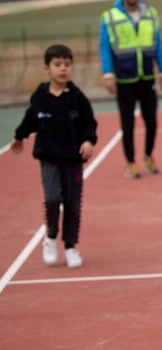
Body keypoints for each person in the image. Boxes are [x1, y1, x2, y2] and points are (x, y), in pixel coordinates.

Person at [11, 44, 98, 268]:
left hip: (73, 160)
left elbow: (89, 123)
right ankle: (50, 237)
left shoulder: (77, 98)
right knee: (52, 199)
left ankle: (70, 246)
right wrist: (19, 137)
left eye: (67, 64)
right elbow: (31, 119)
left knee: (72, 204)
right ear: (46, 68)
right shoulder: (40, 97)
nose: (63, 69)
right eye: (57, 64)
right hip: (49, 158)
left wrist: (88, 141)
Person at [99, 0, 162, 180]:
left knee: (152, 122)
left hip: (147, 77)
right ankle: (130, 162)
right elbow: (104, 47)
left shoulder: (150, 14)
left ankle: (148, 156)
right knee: (127, 124)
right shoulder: (110, 16)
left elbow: (158, 45)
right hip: (124, 79)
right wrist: (108, 74)